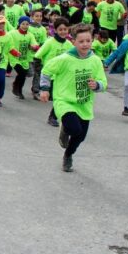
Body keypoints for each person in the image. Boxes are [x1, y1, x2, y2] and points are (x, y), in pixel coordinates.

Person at [40, 23, 107, 172]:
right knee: (74, 129)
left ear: (92, 40)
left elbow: (103, 82)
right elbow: (46, 70)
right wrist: (44, 89)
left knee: (80, 137)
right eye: (81, 41)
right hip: (64, 101)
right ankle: (65, 128)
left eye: (88, 41)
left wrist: (97, 85)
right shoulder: (64, 59)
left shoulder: (95, 60)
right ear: (74, 41)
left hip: (84, 103)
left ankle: (68, 155)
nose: (85, 44)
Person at [35, 17, 73, 126]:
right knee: (55, 97)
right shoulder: (49, 42)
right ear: (55, 30)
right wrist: (40, 69)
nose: (63, 32)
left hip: (62, 76)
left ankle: (53, 117)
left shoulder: (69, 44)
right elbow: (38, 55)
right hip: (49, 76)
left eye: (65, 29)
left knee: (59, 97)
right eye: (60, 29)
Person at [8, 16, 39, 100]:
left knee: (23, 75)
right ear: (19, 24)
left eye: (27, 24)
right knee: (21, 73)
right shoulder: (12, 33)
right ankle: (18, 90)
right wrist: (13, 52)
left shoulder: (30, 35)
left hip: (25, 59)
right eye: (23, 24)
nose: (25, 26)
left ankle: (17, 87)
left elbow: (34, 44)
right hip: (14, 58)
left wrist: (34, 47)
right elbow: (8, 43)